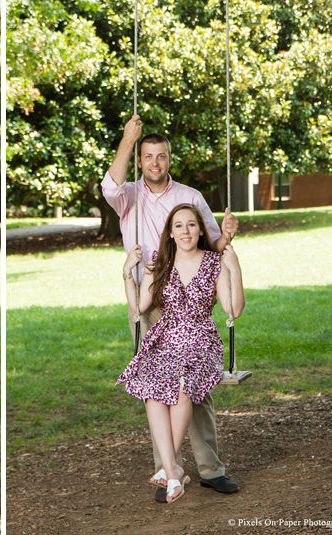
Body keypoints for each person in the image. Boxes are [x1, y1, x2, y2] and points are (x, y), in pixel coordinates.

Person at [102, 115, 241, 502]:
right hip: (151, 300)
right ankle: (168, 467)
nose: (154, 163)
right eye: (147, 156)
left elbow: (213, 244)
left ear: (169, 160)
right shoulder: (128, 195)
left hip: (190, 301)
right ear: (141, 160)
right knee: (157, 385)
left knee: (196, 388)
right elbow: (109, 183)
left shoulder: (191, 197)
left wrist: (227, 236)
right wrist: (127, 141)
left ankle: (210, 469)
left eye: (161, 156)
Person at [116, 203, 245, 502]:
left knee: (182, 385)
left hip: (201, 340)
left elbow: (233, 309)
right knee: (150, 383)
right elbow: (139, 308)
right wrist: (127, 272)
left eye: (191, 225)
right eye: (178, 226)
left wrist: (235, 268)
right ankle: (172, 469)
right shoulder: (159, 263)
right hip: (166, 339)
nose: (185, 231)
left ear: (201, 230)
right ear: (170, 234)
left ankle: (170, 470)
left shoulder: (215, 262)